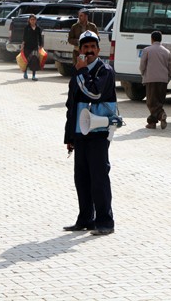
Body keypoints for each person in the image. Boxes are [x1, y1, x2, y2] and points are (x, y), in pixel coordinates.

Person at [63, 30, 117, 236]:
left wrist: (82, 71)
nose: (89, 51)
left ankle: (105, 221)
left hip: (99, 132)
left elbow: (94, 93)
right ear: (80, 50)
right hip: (81, 132)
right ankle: (85, 218)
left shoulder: (105, 71)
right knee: (82, 178)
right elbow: (72, 105)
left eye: (92, 47)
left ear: (98, 49)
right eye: (85, 47)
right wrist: (70, 137)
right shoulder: (78, 72)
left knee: (99, 177)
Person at [139, 31, 171, 129]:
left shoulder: (147, 50)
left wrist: (143, 73)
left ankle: (161, 114)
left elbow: (142, 65)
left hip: (151, 79)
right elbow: (169, 67)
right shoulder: (167, 52)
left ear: (152, 39)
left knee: (151, 101)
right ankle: (152, 123)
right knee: (159, 101)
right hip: (163, 80)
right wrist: (168, 77)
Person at [21, 14, 43, 81]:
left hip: (35, 47)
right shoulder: (26, 28)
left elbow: (40, 37)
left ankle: (33, 75)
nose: (33, 21)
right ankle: (25, 73)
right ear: (29, 20)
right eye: (31, 20)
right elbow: (24, 38)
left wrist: (41, 45)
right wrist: (22, 46)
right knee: (27, 61)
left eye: (34, 19)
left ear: (36, 20)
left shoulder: (38, 28)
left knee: (34, 60)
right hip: (27, 47)